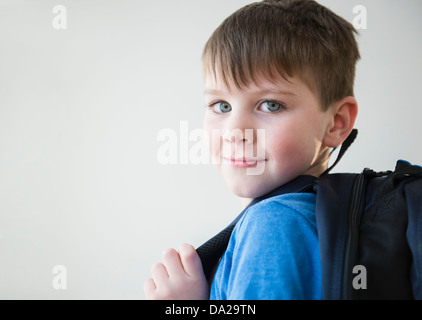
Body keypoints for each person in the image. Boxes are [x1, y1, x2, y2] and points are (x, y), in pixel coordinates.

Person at [144, 0, 360, 300]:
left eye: (271, 105)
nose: (235, 132)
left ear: (336, 122)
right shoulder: (315, 217)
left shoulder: (273, 225)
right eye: (221, 106)